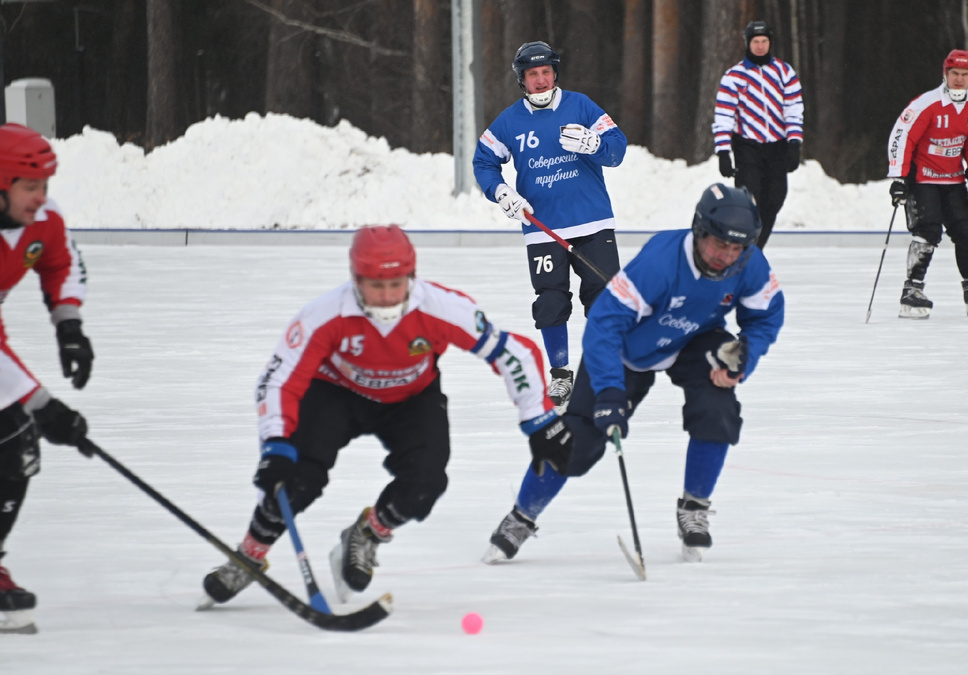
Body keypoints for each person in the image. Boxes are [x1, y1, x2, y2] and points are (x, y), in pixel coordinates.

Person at [200, 225, 573, 606]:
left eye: (396, 284)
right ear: (355, 280)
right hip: (336, 394)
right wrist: (276, 443)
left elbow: (515, 354)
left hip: (411, 397)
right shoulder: (324, 315)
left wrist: (539, 420)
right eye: (375, 286)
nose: (386, 296)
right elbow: (279, 379)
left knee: (426, 483)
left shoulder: (441, 307)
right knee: (296, 479)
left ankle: (366, 534)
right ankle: (249, 554)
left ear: (412, 277)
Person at [482, 184, 784, 564]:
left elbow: (766, 316)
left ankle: (694, 507)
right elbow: (604, 326)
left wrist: (745, 354)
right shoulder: (660, 262)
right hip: (626, 348)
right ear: (698, 230)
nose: (726, 255)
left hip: (693, 337)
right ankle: (521, 516)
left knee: (717, 407)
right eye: (717, 244)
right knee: (579, 443)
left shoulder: (750, 264)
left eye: (736, 248)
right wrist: (609, 392)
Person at [474, 40, 627, 410]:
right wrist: (501, 193)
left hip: (592, 223)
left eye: (545, 73)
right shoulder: (510, 121)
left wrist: (595, 144)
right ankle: (561, 376)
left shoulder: (580, 105)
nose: (540, 80)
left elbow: (618, 147)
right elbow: (483, 162)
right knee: (550, 303)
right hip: (543, 229)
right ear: (522, 80)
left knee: (605, 299)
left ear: (554, 74)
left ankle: (605, 373)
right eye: (532, 75)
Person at [0, 123, 94, 633]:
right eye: (29, 187)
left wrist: (70, 327)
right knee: (17, 432)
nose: (41, 198)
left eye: (44, 187)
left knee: (15, 446)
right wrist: (43, 405)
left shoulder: (43, 219)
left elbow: (61, 262)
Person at [886, 49, 968, 319]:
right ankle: (912, 290)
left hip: (953, 179)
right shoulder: (927, 103)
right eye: (954, 73)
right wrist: (899, 178)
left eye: (965, 74)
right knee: (928, 230)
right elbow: (902, 137)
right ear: (945, 74)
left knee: (966, 232)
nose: (959, 79)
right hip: (923, 179)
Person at [712, 20, 804, 248]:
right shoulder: (734, 76)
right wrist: (723, 151)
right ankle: (743, 246)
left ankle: (756, 247)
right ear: (748, 43)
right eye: (756, 41)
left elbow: (794, 109)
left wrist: (794, 143)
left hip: (777, 145)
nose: (760, 46)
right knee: (749, 200)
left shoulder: (784, 72)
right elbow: (724, 115)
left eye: (764, 41)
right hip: (747, 146)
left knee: (775, 198)